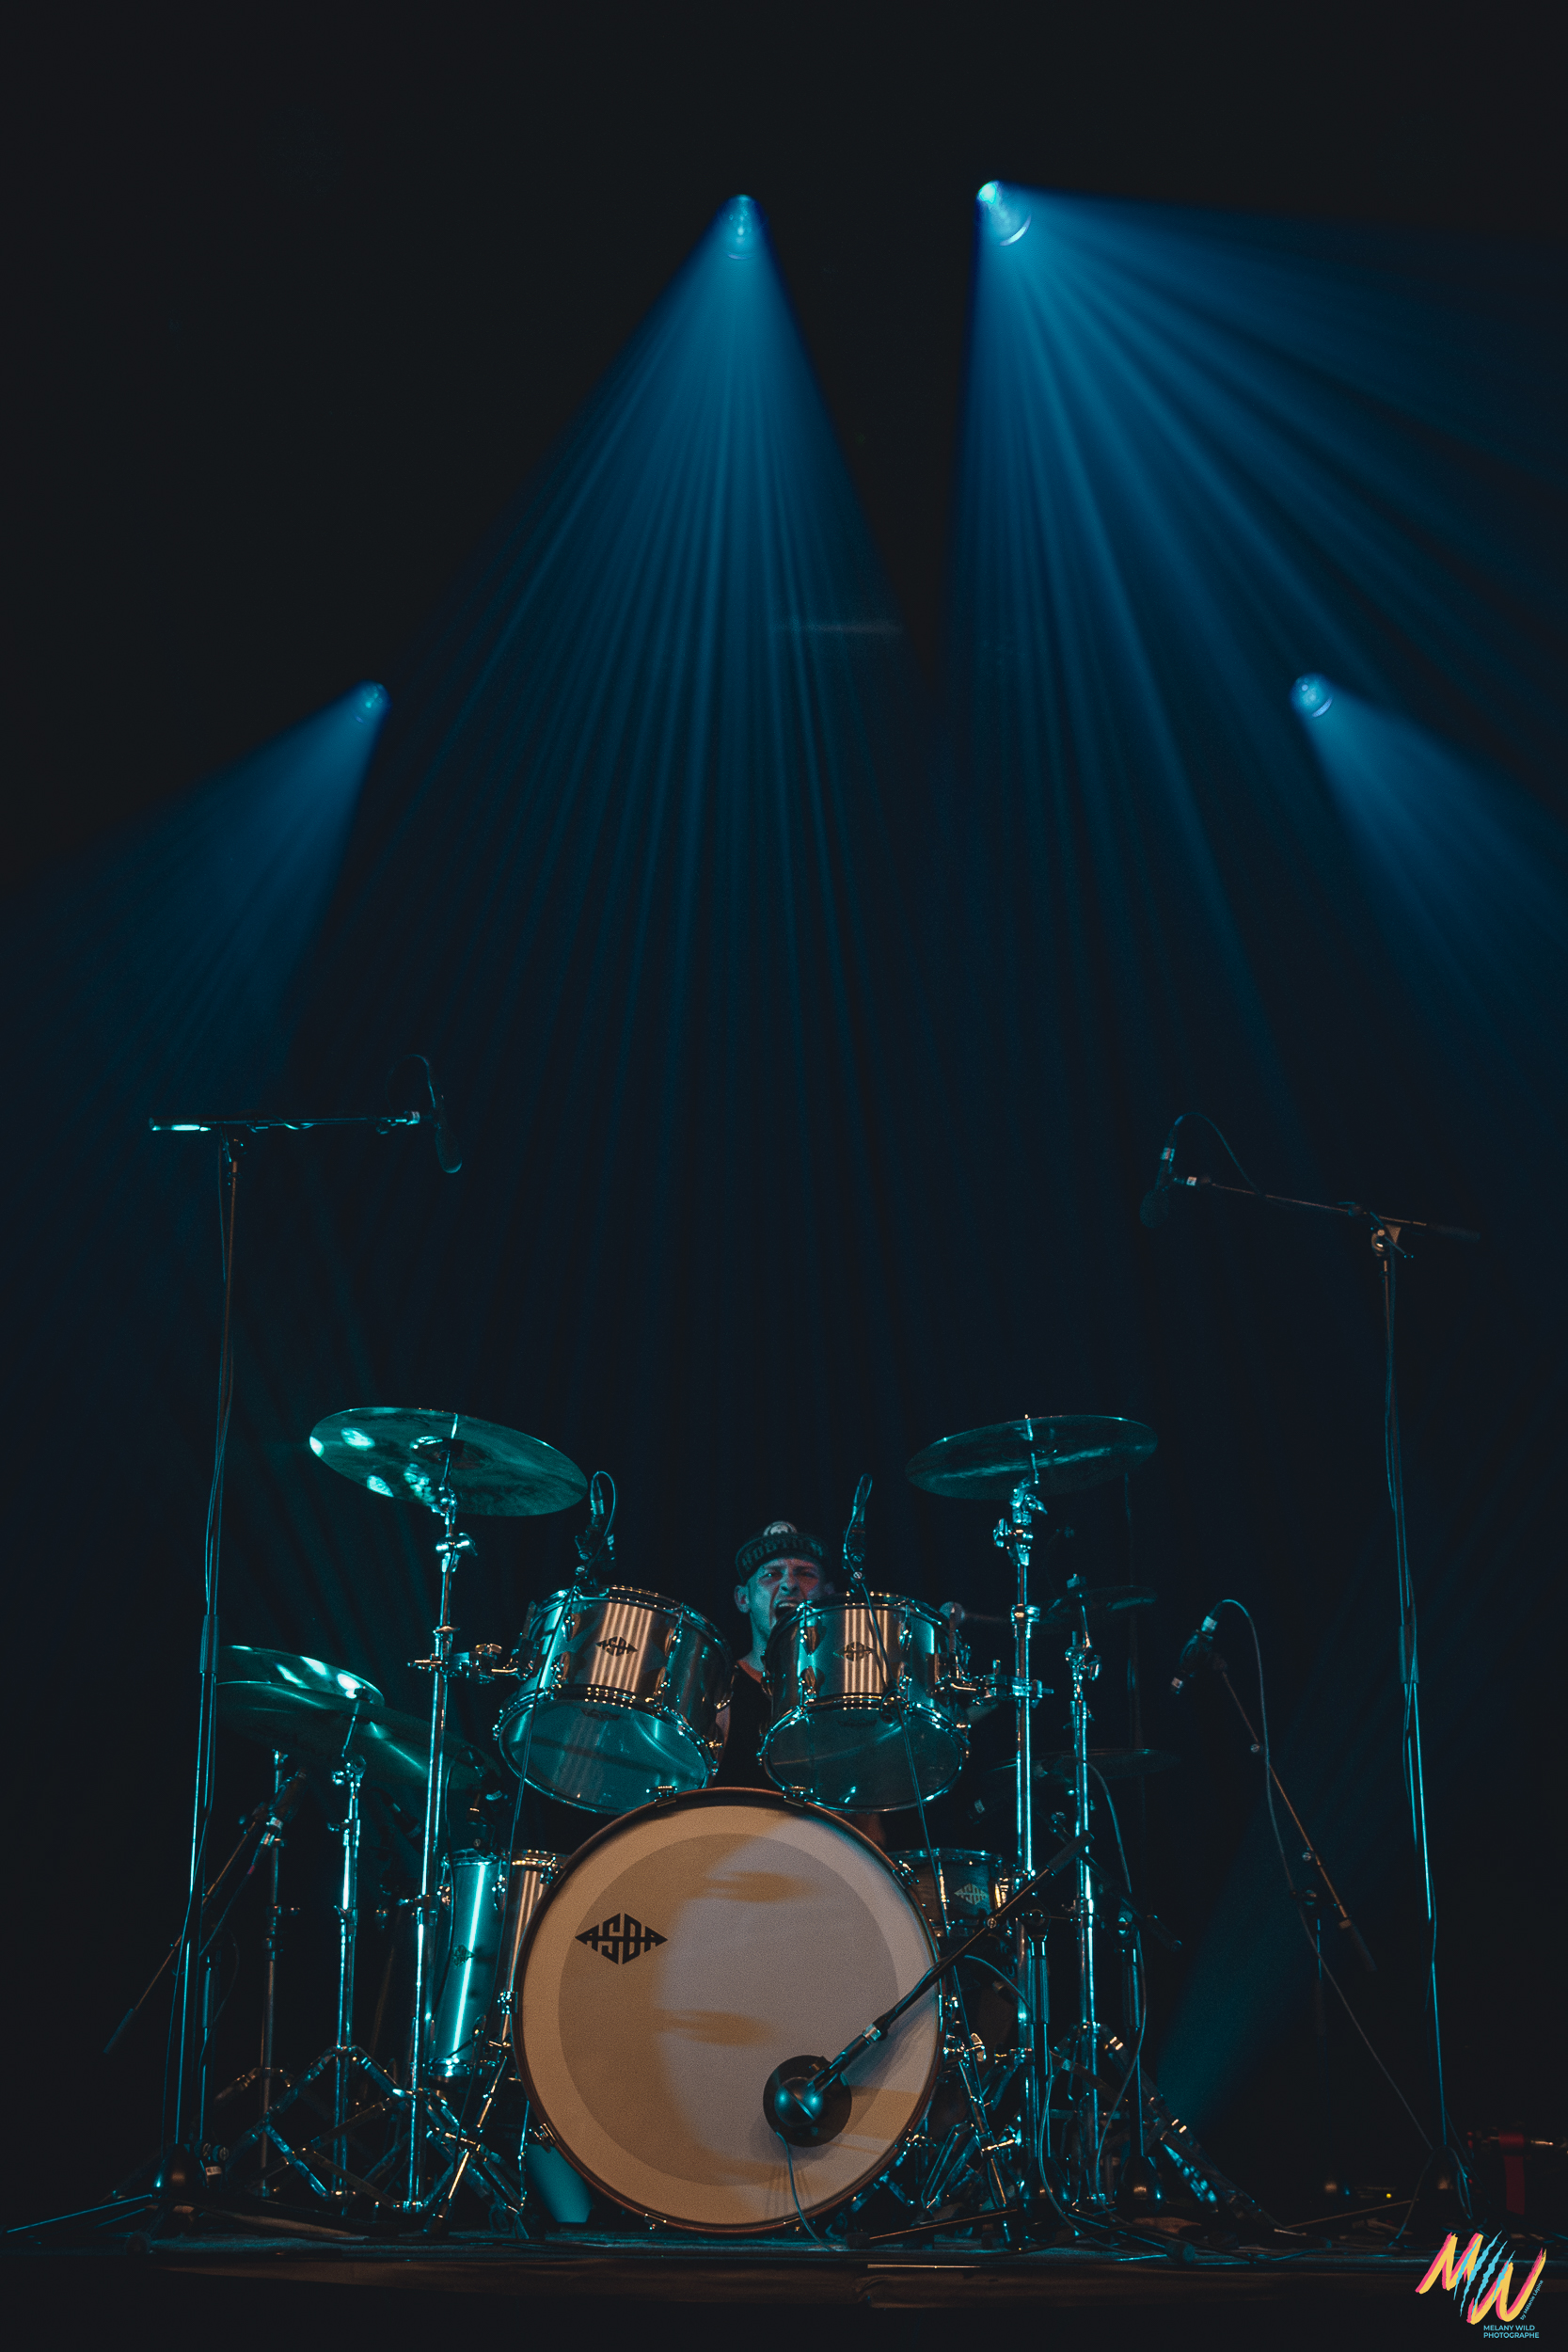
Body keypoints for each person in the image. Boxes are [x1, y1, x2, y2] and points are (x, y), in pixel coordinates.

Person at [714, 1518, 885, 1848]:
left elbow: (871, 1836)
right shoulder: (718, 1690)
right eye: (771, 1574)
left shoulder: (848, 1700)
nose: (790, 1584)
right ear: (742, 1598)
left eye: (806, 1573)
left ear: (829, 1594)